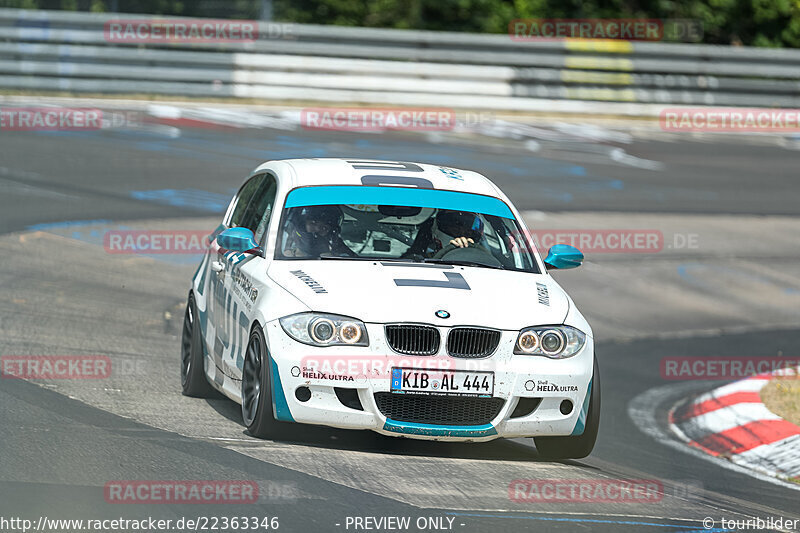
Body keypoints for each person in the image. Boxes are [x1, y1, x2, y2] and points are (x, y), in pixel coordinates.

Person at [282, 205, 354, 258]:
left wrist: (337, 258)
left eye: (323, 227)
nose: (317, 229)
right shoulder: (283, 243)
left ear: (331, 230)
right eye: (313, 223)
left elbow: (353, 258)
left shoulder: (336, 243)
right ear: (303, 224)